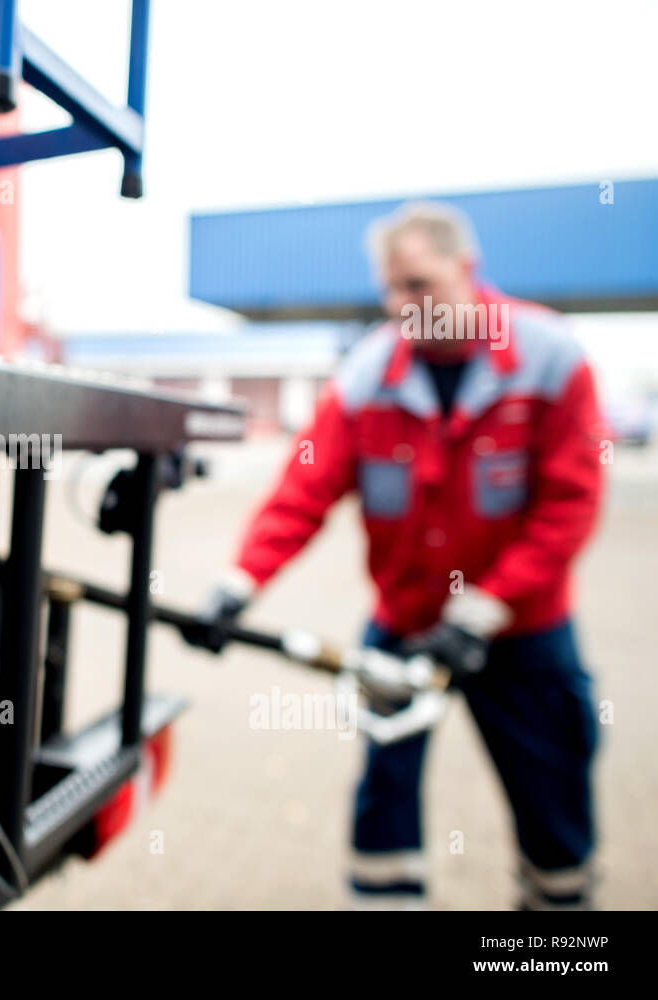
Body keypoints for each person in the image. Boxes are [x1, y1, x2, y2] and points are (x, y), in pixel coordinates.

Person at [196, 202, 606, 909]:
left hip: (521, 633)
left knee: (553, 797)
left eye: (419, 285)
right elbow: (304, 490)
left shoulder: (550, 360)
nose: (402, 305)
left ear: (467, 271)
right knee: (384, 800)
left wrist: (487, 605)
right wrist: (238, 584)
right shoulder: (364, 378)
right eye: (391, 289)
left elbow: (570, 504)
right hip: (406, 624)